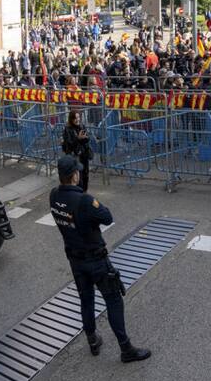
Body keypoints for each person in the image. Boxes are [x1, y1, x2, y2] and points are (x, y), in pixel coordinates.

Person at [49, 155, 150, 363]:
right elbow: (107, 217)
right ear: (74, 175)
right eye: (78, 171)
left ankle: (93, 340)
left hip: (75, 260)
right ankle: (126, 349)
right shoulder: (84, 200)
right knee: (113, 300)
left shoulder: (53, 196)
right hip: (95, 260)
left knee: (86, 300)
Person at [62, 110, 93, 191]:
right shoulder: (67, 129)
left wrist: (85, 138)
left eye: (78, 117)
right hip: (75, 155)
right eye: (75, 118)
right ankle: (79, 193)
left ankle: (85, 191)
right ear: (71, 119)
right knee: (79, 175)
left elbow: (87, 139)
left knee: (86, 173)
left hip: (84, 154)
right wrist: (78, 138)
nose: (77, 119)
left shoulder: (82, 126)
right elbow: (69, 144)